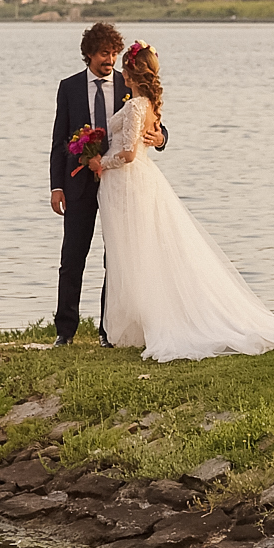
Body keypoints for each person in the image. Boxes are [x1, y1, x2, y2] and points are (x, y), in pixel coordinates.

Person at [89, 41, 274, 361]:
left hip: (128, 182)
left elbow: (130, 153)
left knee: (136, 251)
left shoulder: (137, 105)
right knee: (133, 252)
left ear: (132, 73)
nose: (120, 70)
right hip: (127, 184)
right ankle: (134, 323)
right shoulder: (142, 102)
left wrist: (100, 165)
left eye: (125, 66)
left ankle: (149, 322)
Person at [49, 23, 164, 346]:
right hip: (78, 183)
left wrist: (160, 137)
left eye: (114, 53)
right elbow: (59, 141)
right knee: (73, 256)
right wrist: (56, 186)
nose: (110, 59)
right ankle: (65, 330)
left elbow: (154, 125)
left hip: (120, 183)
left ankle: (108, 330)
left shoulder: (129, 85)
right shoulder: (69, 87)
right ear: (88, 54)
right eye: (104, 53)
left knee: (116, 257)